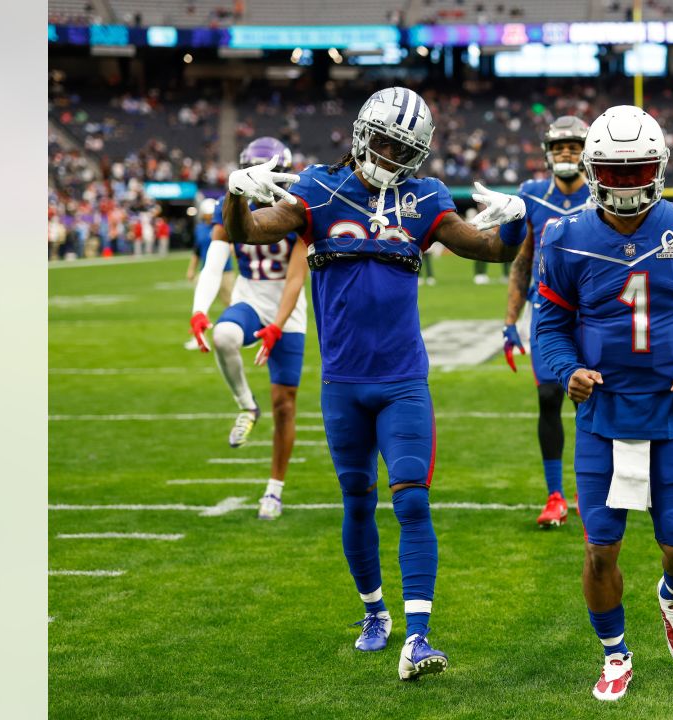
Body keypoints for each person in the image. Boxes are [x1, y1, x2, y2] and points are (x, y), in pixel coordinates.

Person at [219, 86, 526, 680]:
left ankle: (418, 637)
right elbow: (246, 232)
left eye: (402, 147)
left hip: (403, 380)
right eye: (384, 140)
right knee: (357, 501)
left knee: (411, 499)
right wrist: (233, 194)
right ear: (363, 133)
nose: (390, 154)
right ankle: (373, 612)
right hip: (342, 383)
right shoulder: (318, 187)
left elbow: (488, 249)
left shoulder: (426, 196)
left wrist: (514, 225)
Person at [535, 105, 673, 701]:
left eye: (637, 170)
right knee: (601, 551)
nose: (626, 183)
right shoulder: (566, 235)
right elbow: (549, 327)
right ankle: (615, 653)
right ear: (594, 170)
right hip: (603, 416)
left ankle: (671, 599)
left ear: (658, 169)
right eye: (615, 172)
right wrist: (566, 369)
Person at [189, 137, 309, 522]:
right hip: (249, 298)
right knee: (223, 335)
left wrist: (277, 325)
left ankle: (274, 489)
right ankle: (246, 405)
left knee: (285, 405)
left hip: (288, 312)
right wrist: (198, 310)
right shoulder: (232, 205)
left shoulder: (297, 207)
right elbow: (215, 260)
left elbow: (295, 278)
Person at [498, 116, 593, 528]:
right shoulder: (532, 195)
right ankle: (555, 494)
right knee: (549, 396)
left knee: (592, 399)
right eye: (560, 147)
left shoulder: (603, 194)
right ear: (548, 153)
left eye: (574, 146)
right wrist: (509, 321)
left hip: (594, 312)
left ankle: (591, 488)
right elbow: (522, 260)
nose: (566, 153)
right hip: (548, 313)